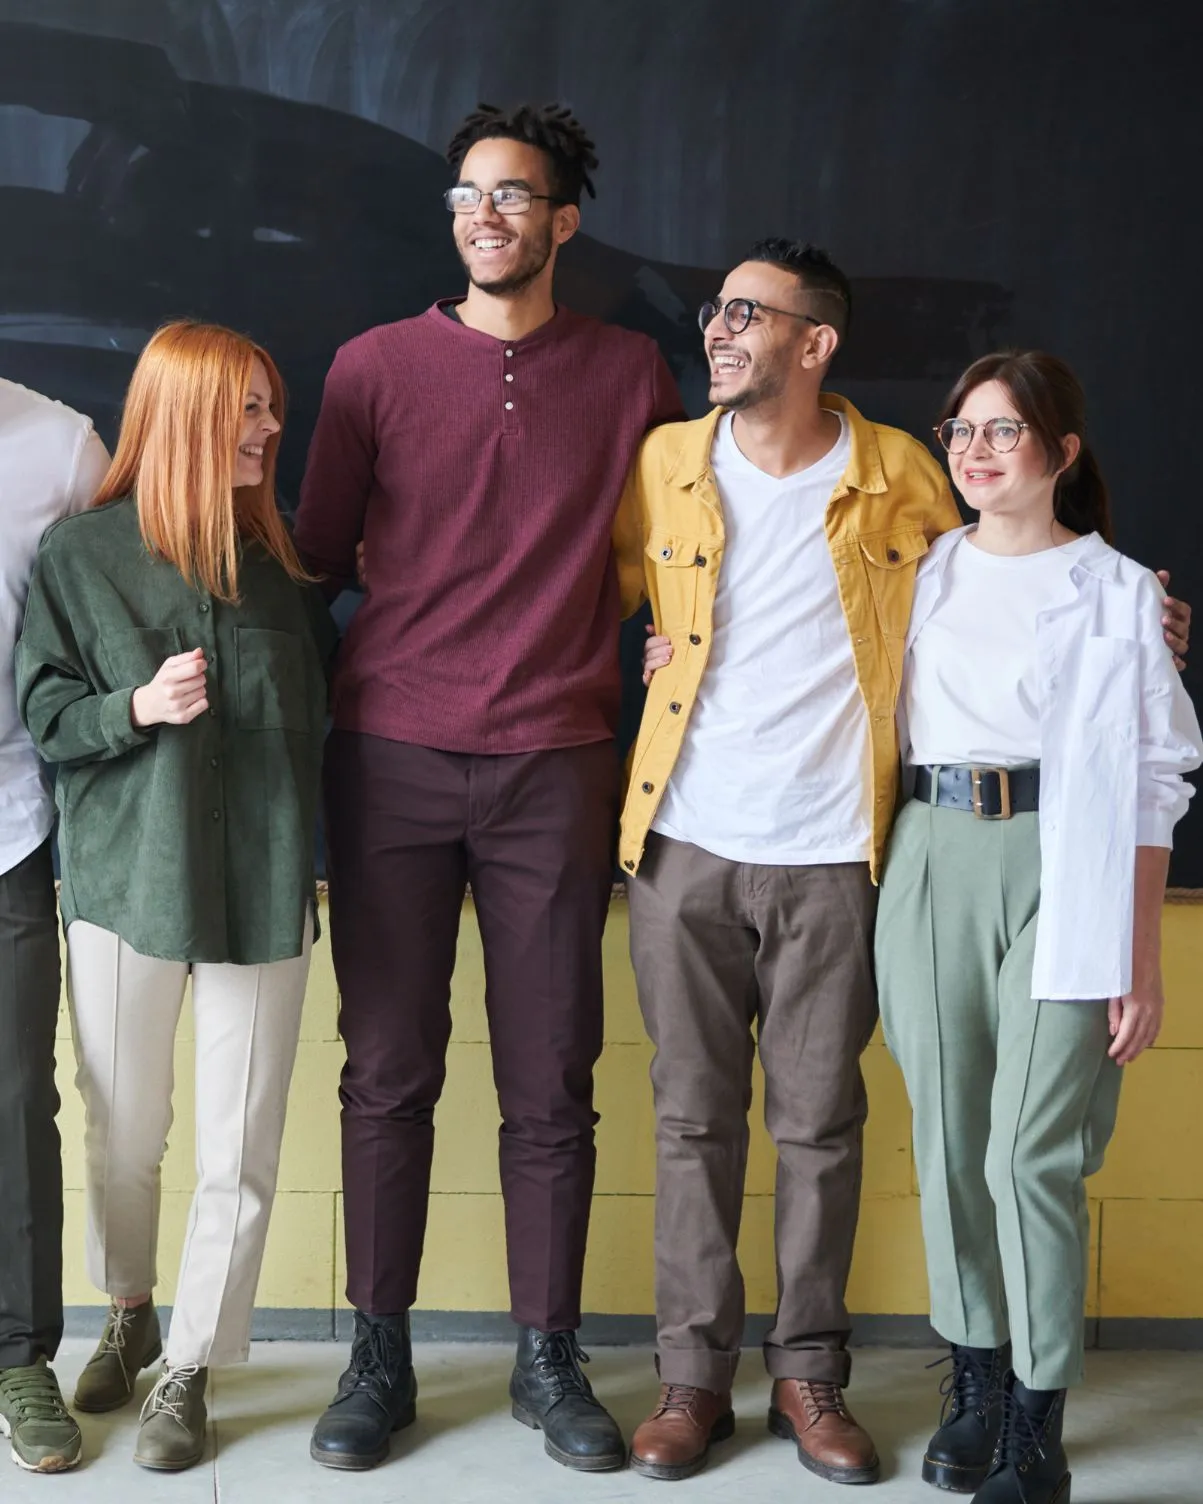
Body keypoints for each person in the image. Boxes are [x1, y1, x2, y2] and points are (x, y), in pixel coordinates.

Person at [622, 241, 1191, 1486]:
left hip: (902, 850)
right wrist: (655, 649)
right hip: (780, 842)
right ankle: (729, 1381)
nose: (717, 328)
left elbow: (1112, 706)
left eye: (745, 312)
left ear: (814, 341)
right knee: (738, 1125)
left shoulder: (909, 488)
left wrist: (1145, 619)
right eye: (969, 430)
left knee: (896, 1134)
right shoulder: (682, 466)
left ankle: (841, 1381)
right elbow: (629, 593)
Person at [294, 102, 683, 1474]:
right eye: (468, 195)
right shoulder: (370, 368)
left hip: (556, 763)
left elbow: (688, 548)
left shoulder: (633, 372)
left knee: (550, 1079)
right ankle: (376, 1353)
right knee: (386, 1072)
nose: (486, 215)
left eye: (514, 195)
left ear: (563, 220)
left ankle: (546, 1353)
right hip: (390, 755)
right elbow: (313, 563)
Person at [873, 351, 1201, 1504]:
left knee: (1029, 1153)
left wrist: (1141, 957)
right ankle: (975, 1373)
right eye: (961, 428)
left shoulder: (1121, 592)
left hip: (1069, 860)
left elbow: (1160, 774)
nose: (973, 449)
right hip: (929, 852)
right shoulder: (916, 572)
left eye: (1003, 431)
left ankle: (1037, 1418)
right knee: (952, 1142)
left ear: (1062, 452)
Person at [16, 321, 334, 1473]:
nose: (267, 432)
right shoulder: (81, 556)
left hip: (258, 887)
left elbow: (326, 723)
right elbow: (48, 717)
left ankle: (191, 1365)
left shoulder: (284, 574)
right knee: (125, 1132)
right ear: (186, 412)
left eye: (273, 410)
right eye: (248, 409)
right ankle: (131, 1305)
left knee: (240, 1142)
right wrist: (136, 709)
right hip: (123, 881)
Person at [0, 379, 110, 1473]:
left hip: (8, 826)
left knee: (15, 1096)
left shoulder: (62, 446)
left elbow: (119, 595)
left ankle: (17, 1356)